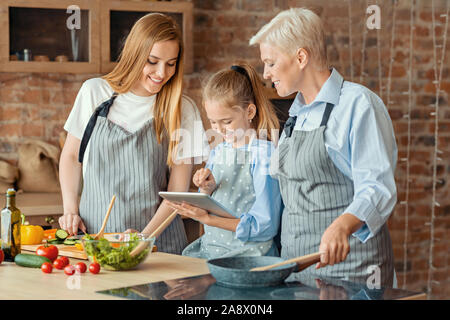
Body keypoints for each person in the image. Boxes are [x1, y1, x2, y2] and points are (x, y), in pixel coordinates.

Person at [249, 8, 397, 286]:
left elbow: (377, 187)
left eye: (270, 63)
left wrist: (343, 225)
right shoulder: (296, 115)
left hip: (352, 274)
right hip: (297, 272)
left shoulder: (357, 104)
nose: (266, 74)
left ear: (301, 57)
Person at [59, 13, 210, 254]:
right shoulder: (95, 93)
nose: (162, 73)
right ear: (134, 54)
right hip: (97, 239)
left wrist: (143, 239)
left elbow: (177, 192)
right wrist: (70, 210)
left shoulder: (183, 109)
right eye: (152, 61)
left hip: (159, 245)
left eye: (171, 63)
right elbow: (70, 157)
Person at [167, 62, 282, 259]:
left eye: (227, 122)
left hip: (248, 257)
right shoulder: (219, 151)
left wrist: (208, 219)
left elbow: (265, 226)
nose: (219, 130)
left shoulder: (264, 154)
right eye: (213, 122)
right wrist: (205, 189)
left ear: (249, 112)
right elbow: (214, 202)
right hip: (212, 250)